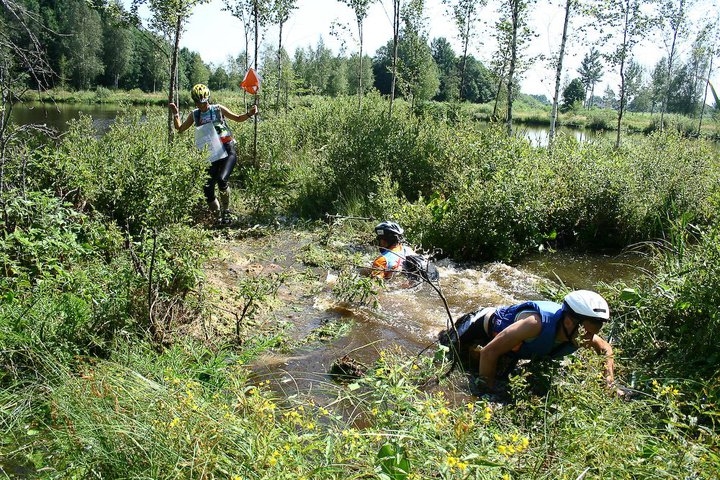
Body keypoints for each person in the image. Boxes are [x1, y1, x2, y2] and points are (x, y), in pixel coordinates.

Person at [440, 290, 619, 395]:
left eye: (593, 333)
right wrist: (486, 393)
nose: (590, 339)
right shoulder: (535, 324)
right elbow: (489, 352)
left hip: (511, 346)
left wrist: (608, 383)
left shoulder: (579, 333)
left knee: (497, 375)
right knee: (445, 351)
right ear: (569, 321)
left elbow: (605, 349)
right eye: (587, 332)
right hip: (481, 324)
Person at [169, 83, 258, 225]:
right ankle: (217, 217)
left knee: (222, 180)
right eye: (198, 103)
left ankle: (226, 211)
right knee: (207, 188)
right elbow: (180, 129)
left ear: (208, 99)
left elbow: (237, 118)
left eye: (204, 102)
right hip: (211, 153)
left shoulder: (217, 109)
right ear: (195, 102)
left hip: (227, 149)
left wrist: (249, 113)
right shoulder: (195, 114)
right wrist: (176, 114)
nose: (202, 105)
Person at [369, 221, 439, 284]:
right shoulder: (409, 250)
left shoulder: (381, 260)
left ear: (383, 241)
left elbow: (375, 286)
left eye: (379, 239)